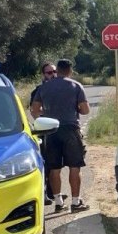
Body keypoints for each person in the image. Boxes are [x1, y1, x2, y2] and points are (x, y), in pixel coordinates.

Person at [30, 59, 91, 212]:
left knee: (54, 168)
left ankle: (58, 202)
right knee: (75, 166)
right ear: (70, 70)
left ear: (58, 70)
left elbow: (34, 109)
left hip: (50, 130)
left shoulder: (44, 87)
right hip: (70, 129)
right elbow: (85, 110)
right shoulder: (76, 86)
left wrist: (43, 119)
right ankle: (76, 202)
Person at [29, 63, 57, 204]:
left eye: (54, 71)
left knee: (56, 164)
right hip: (44, 131)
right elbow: (34, 111)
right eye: (49, 72)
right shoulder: (38, 91)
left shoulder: (59, 89)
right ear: (43, 74)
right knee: (45, 162)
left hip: (58, 129)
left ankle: (54, 193)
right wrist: (45, 117)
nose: (52, 74)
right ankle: (44, 193)